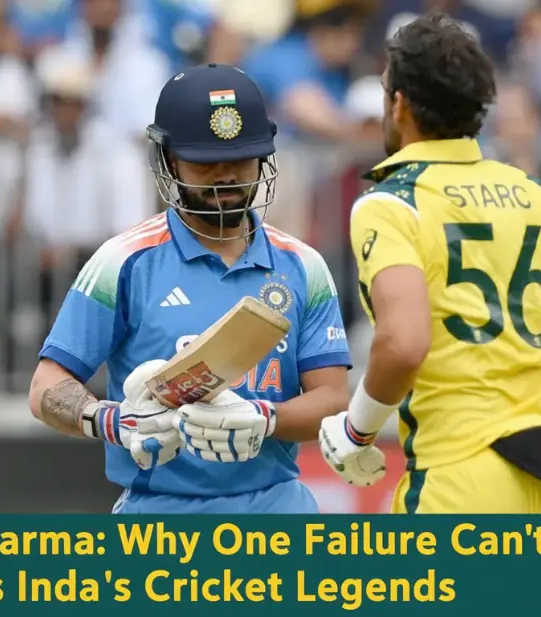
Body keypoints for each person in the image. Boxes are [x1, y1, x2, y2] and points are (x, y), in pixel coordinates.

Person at [27, 63, 352, 514]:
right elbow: (46, 386)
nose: (225, 177)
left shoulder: (303, 266)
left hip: (278, 514)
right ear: (169, 160)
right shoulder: (123, 262)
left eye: (240, 159)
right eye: (204, 162)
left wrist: (264, 418)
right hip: (159, 516)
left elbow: (333, 400)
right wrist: (110, 420)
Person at [319, 12, 541, 513]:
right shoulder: (540, 196)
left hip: (459, 479)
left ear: (399, 104)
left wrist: (356, 429)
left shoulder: (391, 203)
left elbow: (404, 343)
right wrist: (522, 365)